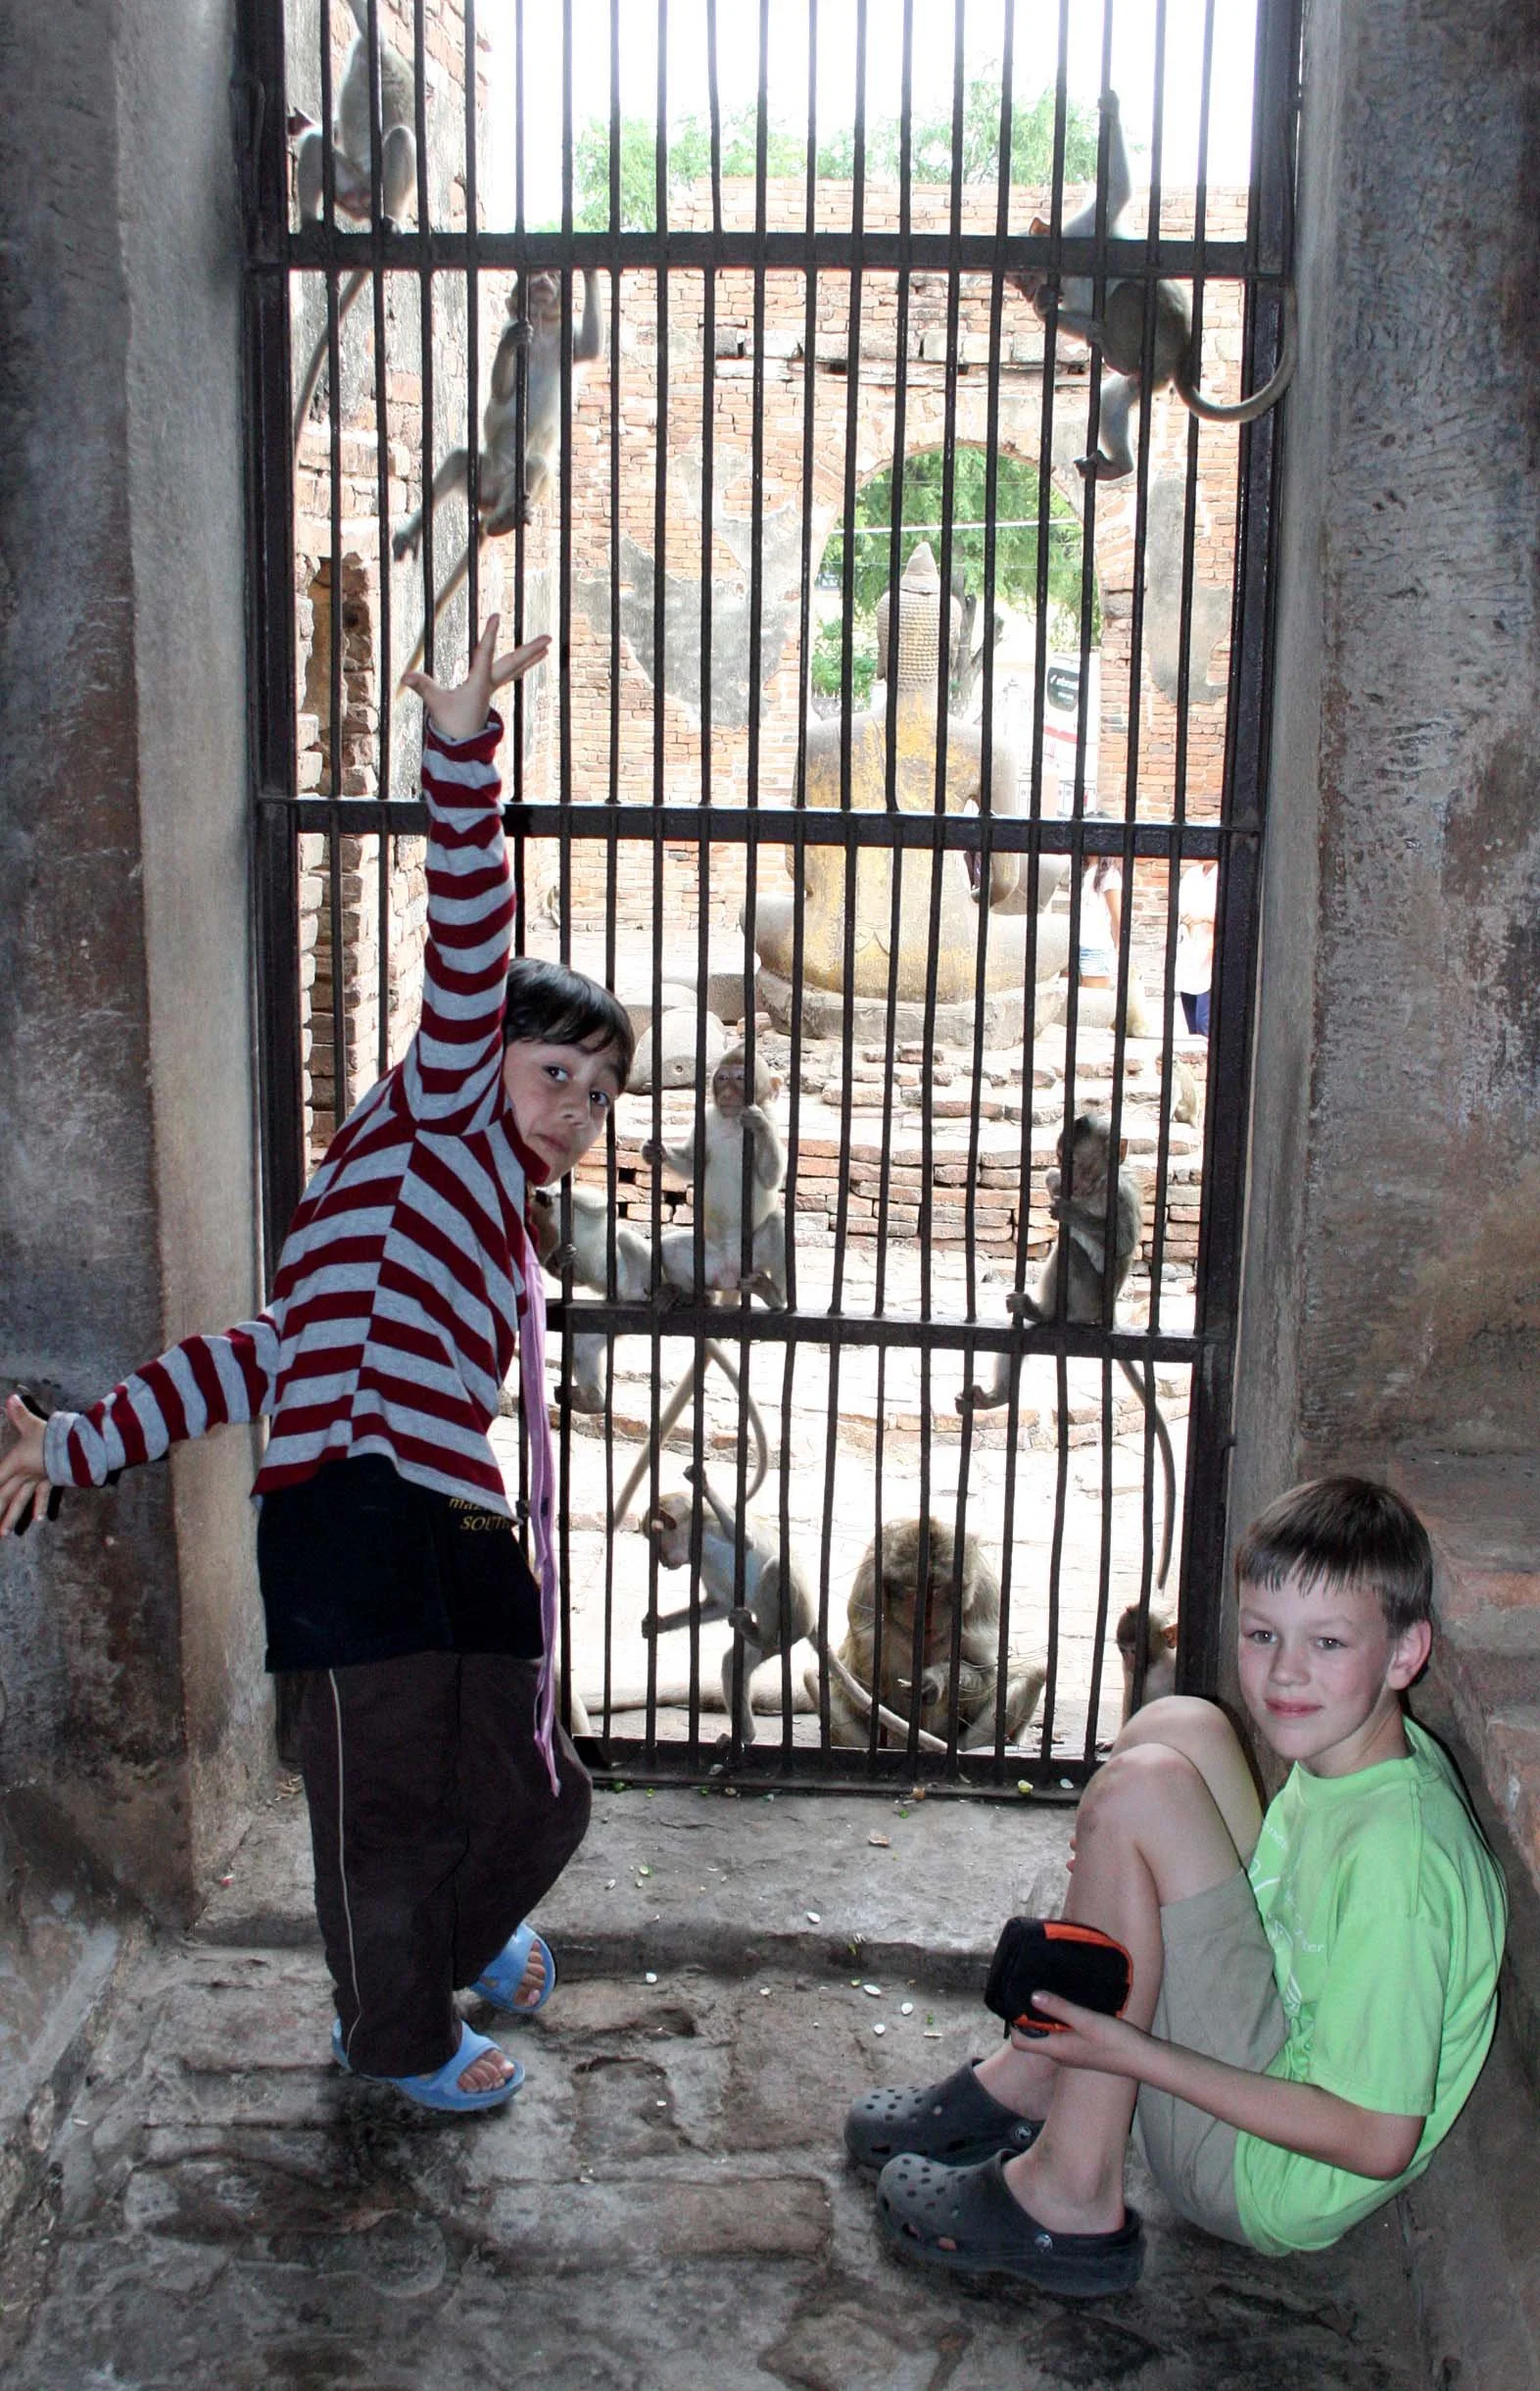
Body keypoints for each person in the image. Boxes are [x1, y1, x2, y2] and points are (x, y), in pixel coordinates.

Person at [0, 618, 636, 2117]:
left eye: (600, 1094)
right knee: (385, 1811)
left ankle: (454, 1951)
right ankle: (393, 2034)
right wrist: (462, 749)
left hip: (459, 1519)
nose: (577, 1109)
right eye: (558, 1074)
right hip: (352, 1524)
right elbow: (468, 945)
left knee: (540, 1784)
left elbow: (254, 1354)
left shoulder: (472, 1228)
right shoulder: (428, 1123)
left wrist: (77, 1440)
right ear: (479, 1062)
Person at [844, 1476, 1508, 2298]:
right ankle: (1038, 2073)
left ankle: (1070, 2191)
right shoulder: (1362, 1751)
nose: (1285, 1674)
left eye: (1328, 1645)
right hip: (1277, 2038)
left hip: (1262, 2175)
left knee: (1143, 1792)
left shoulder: (1396, 1871)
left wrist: (1138, 2053)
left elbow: (1378, 2139)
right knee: (1180, 1727)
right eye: (1264, 1634)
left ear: (1406, 1652)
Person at [1175, 856, 1218, 1037]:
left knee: (1204, 1021)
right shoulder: (1192, 875)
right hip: (1189, 949)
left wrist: (1203, 916)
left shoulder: (1223, 875)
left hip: (1210, 952)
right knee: (1191, 1022)